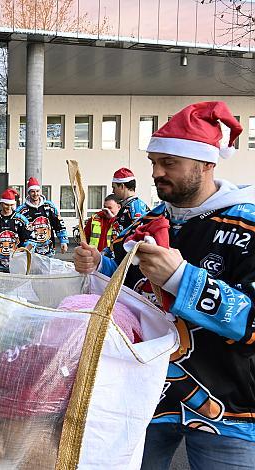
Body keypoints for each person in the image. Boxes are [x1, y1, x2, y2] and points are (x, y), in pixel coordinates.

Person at [73, 101, 255, 469]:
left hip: (231, 412)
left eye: (169, 162)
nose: (156, 172)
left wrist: (182, 279)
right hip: (144, 401)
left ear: (205, 163)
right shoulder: (147, 222)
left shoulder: (248, 226)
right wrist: (100, 265)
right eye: (154, 162)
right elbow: (126, 292)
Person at [17, 177, 68, 257]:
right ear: (28, 193)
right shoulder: (21, 210)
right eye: (32, 191)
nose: (35, 194)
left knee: (48, 269)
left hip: (49, 250)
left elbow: (59, 224)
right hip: (30, 252)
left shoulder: (49, 206)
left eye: (37, 191)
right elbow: (16, 230)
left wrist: (63, 241)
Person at [111, 167, 149, 242]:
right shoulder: (127, 206)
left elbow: (138, 238)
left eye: (114, 187)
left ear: (122, 186)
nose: (112, 191)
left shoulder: (136, 207)